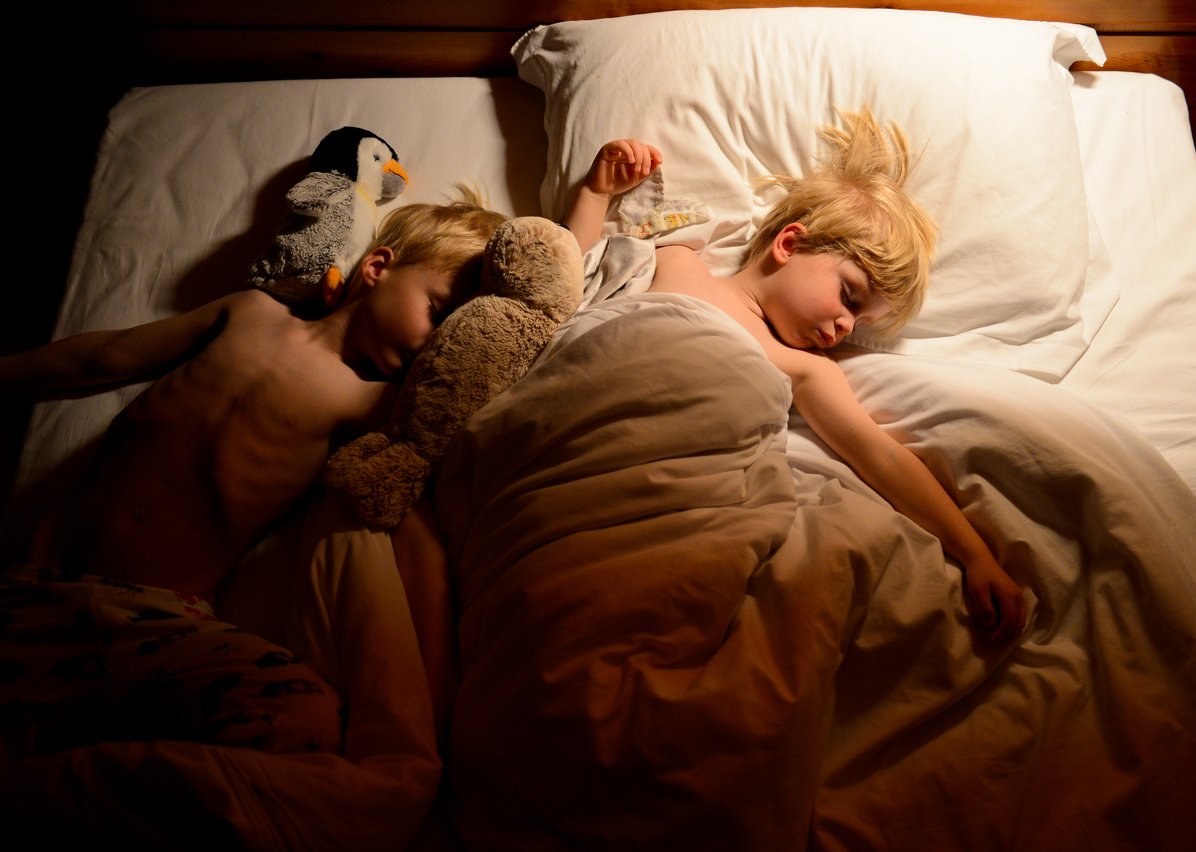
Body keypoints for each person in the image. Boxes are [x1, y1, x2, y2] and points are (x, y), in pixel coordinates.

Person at [0, 189, 506, 756]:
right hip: (37, 581)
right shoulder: (249, 312)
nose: (434, 347)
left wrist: (589, 203)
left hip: (157, 619)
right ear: (378, 267)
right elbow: (108, 355)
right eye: (438, 314)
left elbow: (525, 309)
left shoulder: (375, 405)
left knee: (301, 715)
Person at [564, 112, 1026, 642]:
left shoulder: (808, 370)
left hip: (678, 495)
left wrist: (975, 555)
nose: (844, 328)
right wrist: (596, 194)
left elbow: (883, 456)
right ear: (789, 243)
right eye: (849, 297)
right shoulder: (674, 261)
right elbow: (566, 283)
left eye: (860, 324)